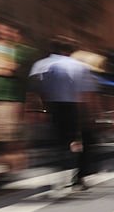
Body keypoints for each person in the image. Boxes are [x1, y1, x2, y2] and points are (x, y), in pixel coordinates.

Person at [28, 36, 96, 190]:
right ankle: (79, 176)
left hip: (50, 106)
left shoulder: (40, 65)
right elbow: (86, 93)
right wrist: (89, 115)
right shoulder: (79, 66)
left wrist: (38, 109)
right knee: (82, 141)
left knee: (56, 142)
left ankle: (58, 173)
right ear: (70, 51)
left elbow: (34, 89)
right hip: (74, 107)